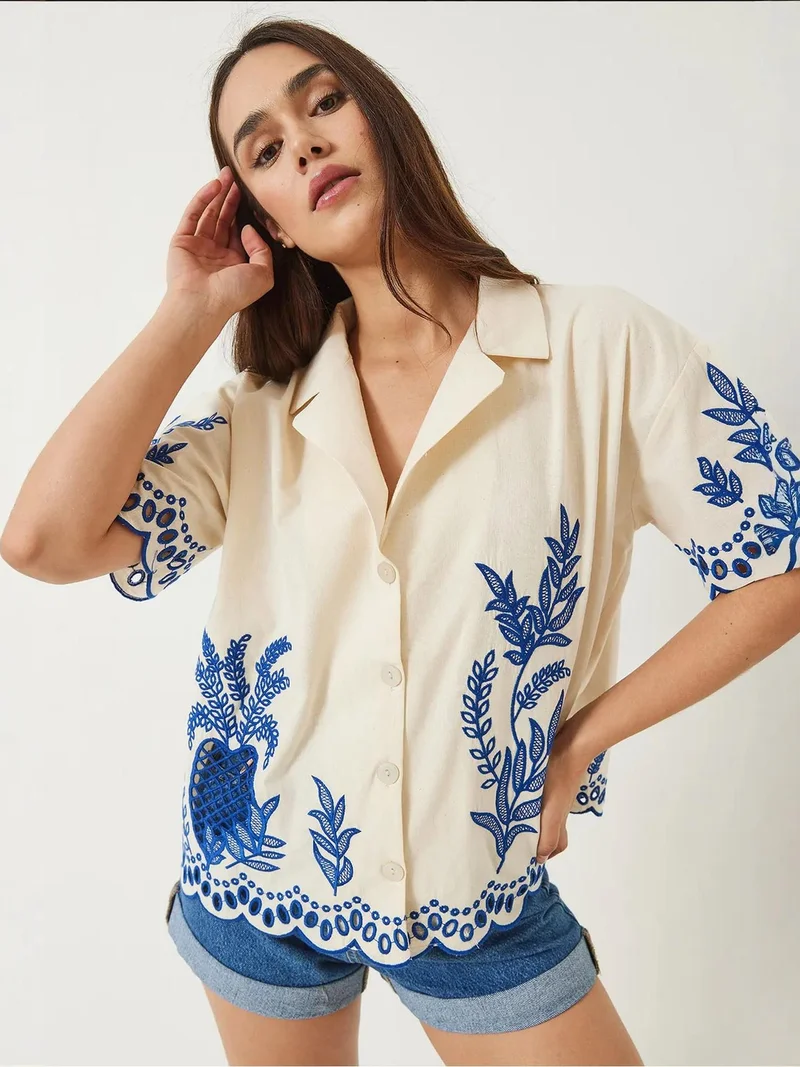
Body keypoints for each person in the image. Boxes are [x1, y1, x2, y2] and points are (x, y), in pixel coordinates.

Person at [3, 16, 799, 1067]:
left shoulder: (598, 347)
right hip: (257, 878)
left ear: (381, 118)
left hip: (478, 886)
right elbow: (44, 540)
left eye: (323, 103)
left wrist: (577, 742)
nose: (304, 144)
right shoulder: (259, 412)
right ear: (268, 221)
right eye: (264, 149)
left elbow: (780, 565)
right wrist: (190, 310)